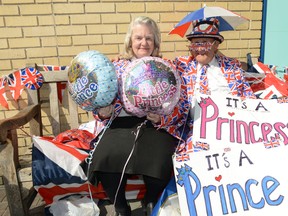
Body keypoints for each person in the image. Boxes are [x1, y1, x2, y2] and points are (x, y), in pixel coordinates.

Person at [87, 16, 180, 216]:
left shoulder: (165, 67)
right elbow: (101, 101)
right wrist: (103, 111)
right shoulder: (116, 67)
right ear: (130, 41)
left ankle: (149, 201)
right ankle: (121, 208)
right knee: (105, 157)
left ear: (155, 42)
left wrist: (162, 119)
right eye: (138, 38)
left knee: (161, 159)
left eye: (148, 38)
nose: (143, 43)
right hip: (121, 123)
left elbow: (177, 103)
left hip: (153, 124)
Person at [160, 17, 256, 154]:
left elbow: (248, 98)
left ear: (216, 45)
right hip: (197, 131)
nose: (199, 49)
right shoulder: (182, 66)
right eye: (195, 43)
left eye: (205, 43)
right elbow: (158, 68)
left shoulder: (231, 67)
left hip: (232, 130)